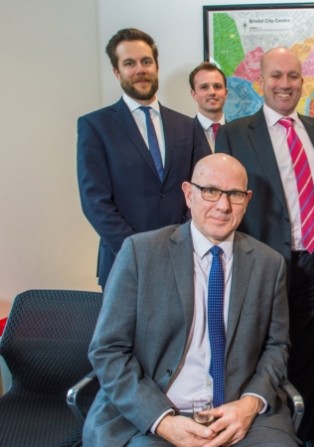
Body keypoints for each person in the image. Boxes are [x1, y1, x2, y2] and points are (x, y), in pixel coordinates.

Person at [84, 154, 297, 447]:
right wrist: (163, 421)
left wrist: (249, 405)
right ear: (188, 194)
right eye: (210, 191)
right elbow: (108, 351)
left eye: (234, 194)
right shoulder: (140, 253)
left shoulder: (269, 264)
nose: (223, 205)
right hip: (155, 414)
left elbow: (277, 347)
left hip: (238, 413)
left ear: (247, 200)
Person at [215, 47, 314, 447]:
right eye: (275, 76)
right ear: (261, 81)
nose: (284, 84)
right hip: (260, 267)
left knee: (308, 356)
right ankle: (262, 433)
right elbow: (225, 202)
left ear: (302, 81)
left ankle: (304, 436)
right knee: (257, 355)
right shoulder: (235, 134)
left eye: (292, 76)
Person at [77, 28, 209, 288]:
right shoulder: (95, 126)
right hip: (124, 262)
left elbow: (203, 189)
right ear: (117, 72)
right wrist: (137, 250)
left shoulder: (187, 127)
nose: (140, 69)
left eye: (146, 61)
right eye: (129, 63)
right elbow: (95, 201)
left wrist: (184, 240)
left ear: (156, 66)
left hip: (183, 258)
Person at [190, 62, 228, 151]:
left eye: (217, 86)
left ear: (226, 93)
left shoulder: (239, 134)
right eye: (204, 87)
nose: (212, 92)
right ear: (194, 94)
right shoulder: (184, 135)